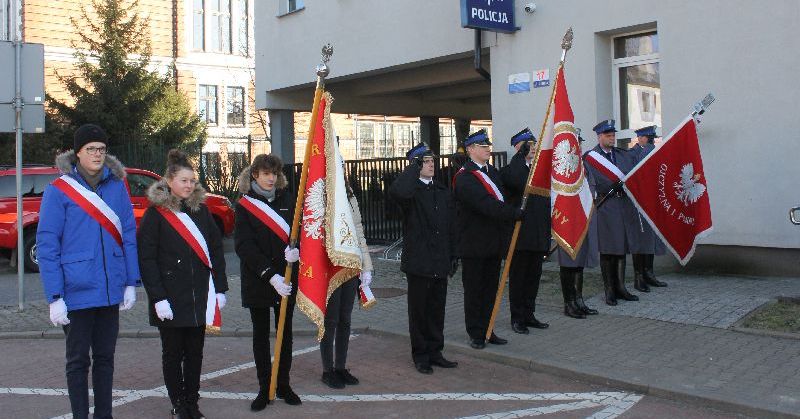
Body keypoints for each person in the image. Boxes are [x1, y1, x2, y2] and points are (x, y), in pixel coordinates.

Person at [37, 124, 140, 419]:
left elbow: (128, 234)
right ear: (78, 153)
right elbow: (47, 245)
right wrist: (54, 295)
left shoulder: (117, 186)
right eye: (90, 149)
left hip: (110, 290)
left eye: (101, 149)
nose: (97, 154)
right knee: (78, 361)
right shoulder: (59, 191)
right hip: (76, 290)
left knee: (105, 359)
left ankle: (104, 415)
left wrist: (130, 281)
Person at [138, 149, 228, 418]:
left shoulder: (201, 211)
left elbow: (215, 250)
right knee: (173, 354)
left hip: (199, 295)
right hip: (170, 298)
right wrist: (157, 297)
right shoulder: (156, 215)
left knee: (195, 353)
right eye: (183, 180)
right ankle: (178, 403)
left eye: (192, 181)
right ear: (169, 181)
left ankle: (192, 401)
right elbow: (147, 258)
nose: (189, 185)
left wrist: (220, 287)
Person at [234, 154, 302, 409]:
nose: (271, 178)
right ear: (255, 175)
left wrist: (297, 252)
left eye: (274, 173)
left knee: (285, 334)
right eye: (265, 173)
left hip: (286, 278)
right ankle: (265, 387)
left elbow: (300, 232)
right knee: (261, 335)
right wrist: (269, 275)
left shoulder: (288, 199)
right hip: (260, 280)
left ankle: (283, 384)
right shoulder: (244, 205)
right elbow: (244, 246)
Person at [389, 143, 459, 374]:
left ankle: (435, 351)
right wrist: (412, 169)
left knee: (436, 309)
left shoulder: (441, 190)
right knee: (419, 311)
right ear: (416, 165)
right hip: (419, 262)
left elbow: (451, 226)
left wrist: (453, 254)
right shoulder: (410, 192)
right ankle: (421, 355)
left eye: (431, 161)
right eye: (425, 162)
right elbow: (397, 192)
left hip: (439, 260)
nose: (431, 165)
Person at [453, 129, 522, 349]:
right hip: (474, 245)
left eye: (488, 145)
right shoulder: (465, 177)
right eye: (483, 146)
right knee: (475, 291)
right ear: (471, 150)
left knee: (491, 290)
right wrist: (513, 213)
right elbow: (486, 205)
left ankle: (489, 329)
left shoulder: (492, 172)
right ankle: (475, 333)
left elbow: (508, 189)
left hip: (493, 242)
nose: (487, 149)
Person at [319, 168, 373, 388]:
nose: (339, 171)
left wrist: (366, 266)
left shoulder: (350, 195)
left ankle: (340, 367)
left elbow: (358, 231)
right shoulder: (320, 196)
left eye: (341, 167)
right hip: (330, 266)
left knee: (345, 319)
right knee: (330, 321)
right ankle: (327, 370)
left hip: (351, 264)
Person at [500, 128, 551, 334]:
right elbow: (516, 181)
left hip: (538, 233)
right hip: (520, 236)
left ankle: (529, 314)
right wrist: (519, 157)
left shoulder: (539, 170)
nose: (532, 149)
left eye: (534, 145)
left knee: (533, 278)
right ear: (518, 148)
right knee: (519, 278)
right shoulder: (511, 170)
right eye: (527, 146)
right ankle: (517, 317)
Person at [583, 119, 639, 306]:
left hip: (623, 205)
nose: (612, 138)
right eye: (608, 135)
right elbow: (590, 181)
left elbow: (632, 173)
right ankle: (609, 290)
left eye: (613, 135)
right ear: (599, 137)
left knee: (621, 248)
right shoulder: (591, 157)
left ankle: (621, 287)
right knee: (608, 250)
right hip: (605, 207)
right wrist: (608, 186)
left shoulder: (622, 155)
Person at [558, 131, 599, 318]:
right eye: (576, 142)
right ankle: (569, 303)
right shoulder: (561, 165)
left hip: (582, 218)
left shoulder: (584, 165)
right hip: (567, 220)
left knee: (579, 262)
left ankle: (579, 300)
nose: (579, 146)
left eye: (580, 142)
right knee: (568, 262)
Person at [629, 125, 668, 291]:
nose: (650, 141)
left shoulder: (647, 151)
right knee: (642, 240)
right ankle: (642, 275)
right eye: (647, 139)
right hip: (640, 203)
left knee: (649, 239)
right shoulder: (637, 153)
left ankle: (647, 273)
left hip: (648, 202)